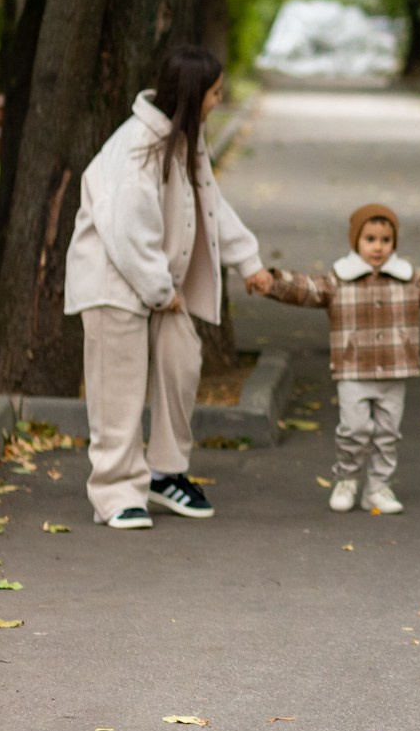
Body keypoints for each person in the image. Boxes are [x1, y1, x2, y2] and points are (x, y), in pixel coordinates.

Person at [65, 45, 271, 530]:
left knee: (183, 361)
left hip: (156, 283)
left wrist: (250, 262)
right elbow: (126, 232)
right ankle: (116, 492)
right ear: (195, 94)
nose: (220, 100)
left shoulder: (183, 141)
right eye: (216, 93)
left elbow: (211, 204)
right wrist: (161, 290)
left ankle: (163, 471)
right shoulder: (137, 148)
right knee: (118, 387)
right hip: (113, 283)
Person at [252, 203, 420, 515]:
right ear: (356, 241)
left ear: (394, 243)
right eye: (370, 239)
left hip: (394, 369)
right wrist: (272, 281)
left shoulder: (408, 280)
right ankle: (347, 477)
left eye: (385, 240)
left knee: (388, 433)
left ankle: (377, 487)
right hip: (353, 370)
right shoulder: (339, 280)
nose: (378, 247)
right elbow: (305, 289)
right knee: (354, 429)